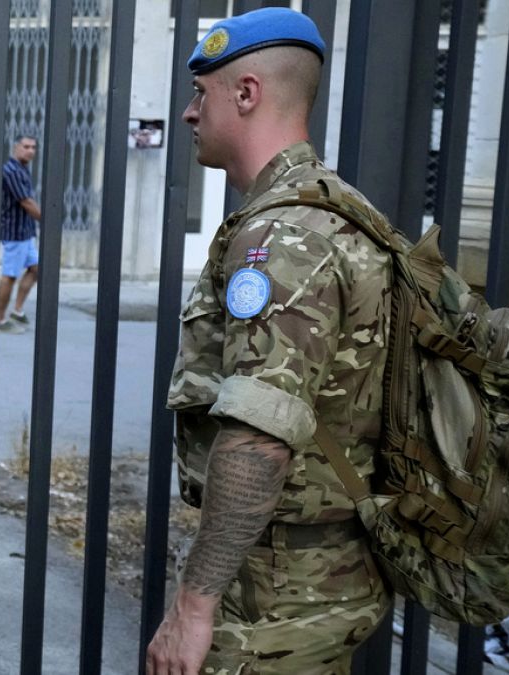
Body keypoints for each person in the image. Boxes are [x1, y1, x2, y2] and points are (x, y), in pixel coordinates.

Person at [146, 9, 392, 674]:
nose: (191, 113)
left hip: (277, 594)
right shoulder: (342, 209)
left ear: (247, 94)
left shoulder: (282, 240)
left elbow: (260, 435)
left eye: (203, 93)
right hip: (325, 571)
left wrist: (193, 610)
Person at [0, 135, 41, 334]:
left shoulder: (22, 169)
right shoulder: (11, 171)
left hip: (25, 231)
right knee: (9, 277)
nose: (30, 151)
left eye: (33, 147)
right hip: (14, 233)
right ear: (16, 148)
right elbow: (26, 202)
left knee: (37, 268)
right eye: (26, 147)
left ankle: (17, 310)